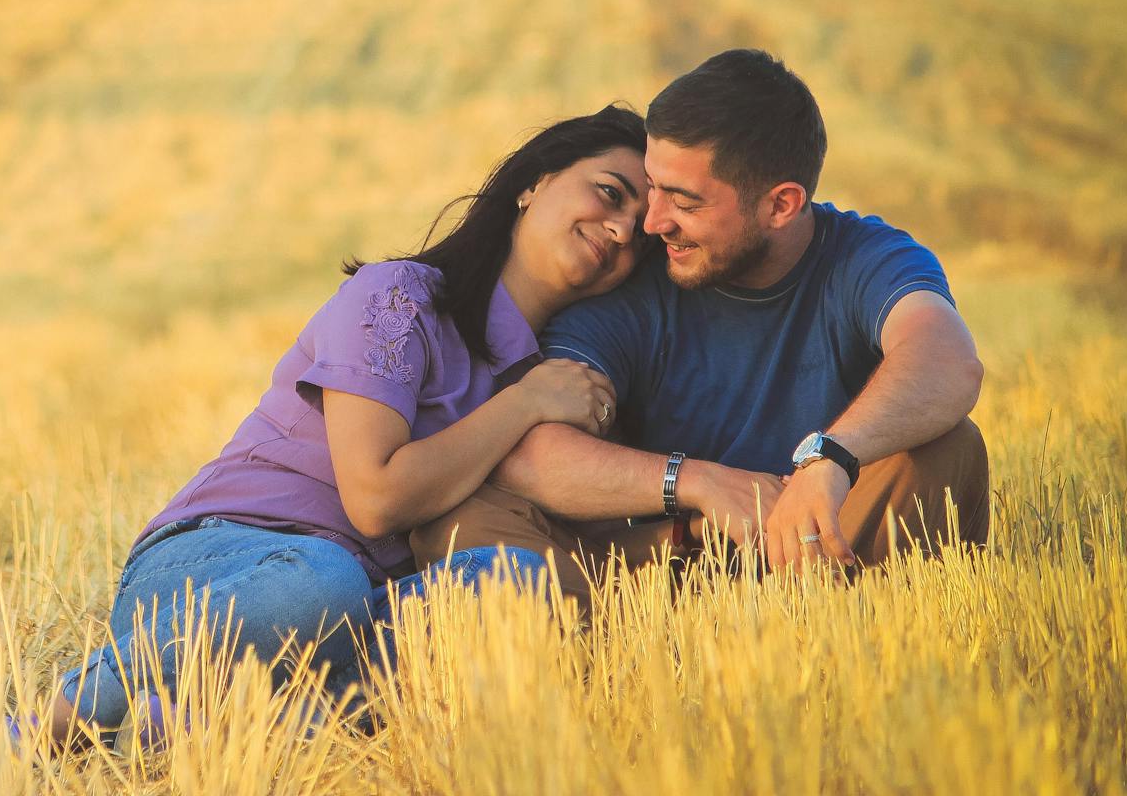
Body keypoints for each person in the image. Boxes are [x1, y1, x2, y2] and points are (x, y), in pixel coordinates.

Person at [22, 105, 653, 750]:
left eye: (643, 230)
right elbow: (376, 499)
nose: (622, 229)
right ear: (536, 182)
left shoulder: (551, 377)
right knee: (321, 581)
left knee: (517, 583)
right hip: (224, 569)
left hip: (356, 612)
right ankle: (74, 707)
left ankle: (220, 720)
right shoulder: (400, 297)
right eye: (610, 193)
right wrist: (524, 405)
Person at [413, 50, 988, 602]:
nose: (653, 221)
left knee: (946, 449)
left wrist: (830, 459)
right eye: (653, 186)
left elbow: (947, 360)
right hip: (669, 561)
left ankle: (798, 637)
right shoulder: (632, 282)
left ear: (781, 206)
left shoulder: (865, 257)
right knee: (465, 522)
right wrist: (697, 484)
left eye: (684, 201)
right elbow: (533, 456)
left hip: (816, 550)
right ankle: (628, 656)